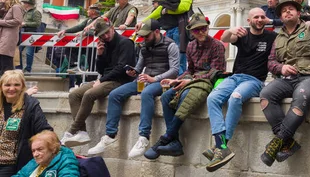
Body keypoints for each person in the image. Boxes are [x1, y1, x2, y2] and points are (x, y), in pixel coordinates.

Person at [87, 19, 179, 158]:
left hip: (162, 81)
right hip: (144, 80)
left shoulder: (171, 45)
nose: (144, 39)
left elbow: (174, 70)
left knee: (147, 93)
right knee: (115, 94)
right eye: (142, 36)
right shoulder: (144, 46)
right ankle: (110, 134)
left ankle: (143, 136)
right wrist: (133, 72)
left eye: (147, 36)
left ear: (156, 32)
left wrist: (155, 78)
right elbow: (139, 67)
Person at [259, 0, 310, 166]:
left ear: (299, 13)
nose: (287, 12)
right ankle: (287, 142)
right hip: (288, 79)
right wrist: (280, 68)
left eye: (291, 9)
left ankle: (277, 142)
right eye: (283, 11)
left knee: (301, 95)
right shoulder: (278, 38)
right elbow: (271, 62)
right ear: (281, 17)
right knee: (266, 94)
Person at [144, 13, 225, 160]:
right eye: (196, 30)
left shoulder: (217, 45)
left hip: (208, 82)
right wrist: (175, 80)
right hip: (192, 80)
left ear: (207, 28)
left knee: (186, 97)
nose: (200, 32)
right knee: (166, 96)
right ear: (191, 32)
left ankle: (167, 136)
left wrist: (190, 80)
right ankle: (175, 141)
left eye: (203, 28)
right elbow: (189, 70)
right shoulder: (191, 46)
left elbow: (215, 73)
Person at [204, 8, 277, 172]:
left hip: (255, 80)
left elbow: (285, 25)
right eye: (255, 17)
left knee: (235, 98)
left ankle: (222, 146)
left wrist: (272, 21)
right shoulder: (242, 35)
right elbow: (225, 38)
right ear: (249, 20)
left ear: (265, 19)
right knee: (212, 98)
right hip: (235, 77)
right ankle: (220, 145)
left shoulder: (272, 37)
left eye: (262, 17)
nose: (259, 19)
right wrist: (231, 29)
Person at [61, 19, 135, 147]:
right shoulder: (104, 44)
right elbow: (101, 70)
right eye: (102, 35)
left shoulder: (125, 43)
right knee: (74, 94)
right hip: (106, 79)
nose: (106, 36)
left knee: (89, 94)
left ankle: (72, 130)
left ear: (112, 28)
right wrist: (99, 55)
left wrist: (101, 80)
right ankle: (82, 131)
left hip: (120, 80)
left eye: (107, 33)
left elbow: (121, 68)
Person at [140, 0, 194, 75]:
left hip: (179, 30)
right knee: (171, 61)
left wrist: (167, 11)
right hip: (169, 30)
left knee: (178, 60)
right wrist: (144, 22)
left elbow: (184, 7)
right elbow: (160, 10)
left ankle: (179, 84)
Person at [0, 70, 52, 177]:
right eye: (7, 85)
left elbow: (45, 131)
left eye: (16, 85)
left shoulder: (30, 106)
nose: (11, 88)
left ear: (23, 87)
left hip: (11, 163)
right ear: (1, 87)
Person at [14, 130, 79, 177]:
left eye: (40, 149)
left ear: (53, 149)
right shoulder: (34, 162)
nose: (35, 154)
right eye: (33, 151)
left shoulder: (66, 161)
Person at [0, 0, 25, 75]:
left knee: (6, 63)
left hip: (9, 37)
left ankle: (9, 82)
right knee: (3, 63)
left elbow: (17, 21)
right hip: (5, 37)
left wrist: (1, 22)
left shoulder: (16, 7)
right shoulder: (10, 7)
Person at [19, 0, 42, 73]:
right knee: (18, 50)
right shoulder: (25, 12)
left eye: (24, 3)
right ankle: (19, 68)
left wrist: (25, 23)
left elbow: (37, 23)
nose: (23, 4)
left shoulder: (36, 12)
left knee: (29, 53)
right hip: (23, 33)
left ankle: (28, 69)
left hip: (31, 34)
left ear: (27, 4)